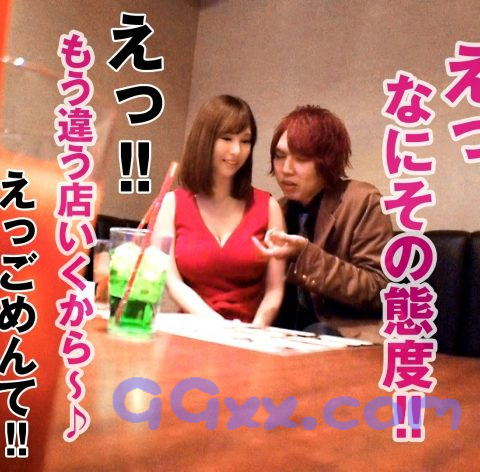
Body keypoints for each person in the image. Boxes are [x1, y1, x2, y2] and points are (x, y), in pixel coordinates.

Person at [253, 105, 393, 342]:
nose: (286, 169)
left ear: (328, 161)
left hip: (346, 334)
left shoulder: (364, 201)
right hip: (284, 335)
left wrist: (305, 255)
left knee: (319, 331)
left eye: (301, 158)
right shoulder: (278, 208)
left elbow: (379, 290)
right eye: (280, 156)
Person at [154, 95, 285, 326]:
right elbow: (171, 281)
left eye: (245, 141)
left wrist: (254, 331)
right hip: (192, 330)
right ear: (204, 140)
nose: (236, 150)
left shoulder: (268, 207)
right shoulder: (172, 204)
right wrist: (218, 326)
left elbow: (274, 290)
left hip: (251, 334)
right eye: (226, 138)